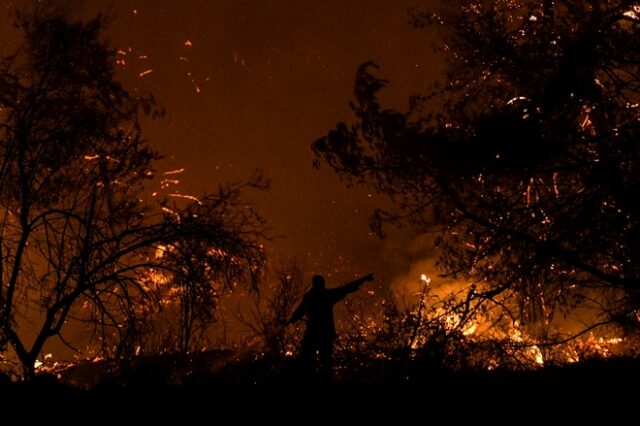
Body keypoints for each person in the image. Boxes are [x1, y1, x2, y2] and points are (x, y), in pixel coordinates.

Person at [286, 273, 374, 377]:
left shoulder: (309, 297)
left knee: (309, 361)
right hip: (325, 334)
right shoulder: (327, 295)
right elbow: (345, 289)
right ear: (322, 284)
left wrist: (290, 320)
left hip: (312, 333)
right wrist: (363, 279)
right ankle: (325, 383)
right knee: (325, 362)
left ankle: (310, 382)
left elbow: (300, 311)